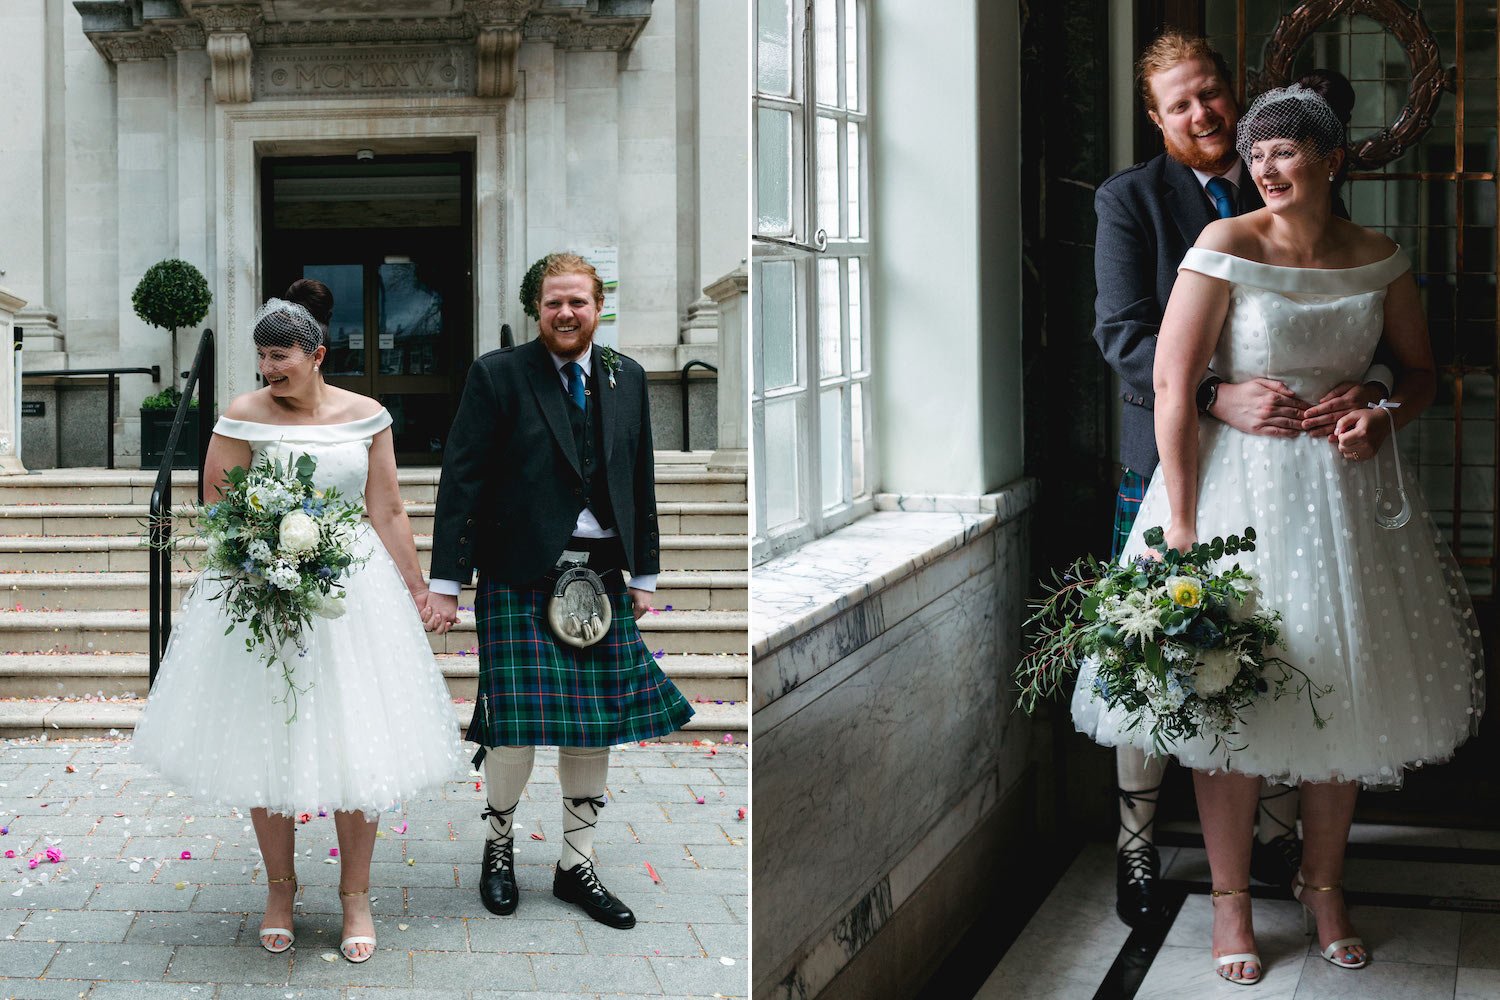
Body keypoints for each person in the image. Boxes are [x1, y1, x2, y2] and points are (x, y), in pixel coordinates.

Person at [1074, 78, 1485, 984]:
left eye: (1285, 150)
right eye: (1254, 152)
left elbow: (1417, 371)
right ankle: (1229, 902)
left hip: (1348, 500)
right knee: (1233, 699)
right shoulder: (1222, 244)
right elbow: (1177, 388)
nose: (1263, 166)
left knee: (1345, 687)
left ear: (1331, 160)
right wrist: (1181, 522)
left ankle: (1323, 883)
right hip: (1235, 495)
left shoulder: (1379, 254)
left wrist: (1380, 408)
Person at [1090, 33, 1396, 930]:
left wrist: (1371, 393)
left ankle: (1271, 839)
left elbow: (1365, 324)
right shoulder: (1133, 200)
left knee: (1289, 648)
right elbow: (1123, 335)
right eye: (1180, 104)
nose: (1203, 114)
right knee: (1161, 658)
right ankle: (1138, 841)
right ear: (1156, 118)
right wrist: (1218, 396)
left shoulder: (1299, 181)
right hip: (1172, 464)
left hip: (1299, 474)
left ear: (1236, 89)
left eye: (1211, 92)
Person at [133, 280, 463, 964]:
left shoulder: (367, 414)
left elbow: (389, 510)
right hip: (265, 593)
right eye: (262, 356)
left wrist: (420, 589)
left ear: (316, 354)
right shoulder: (240, 415)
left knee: (358, 741)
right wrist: (262, 559)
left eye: (281, 355)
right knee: (269, 740)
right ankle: (280, 891)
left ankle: (355, 895)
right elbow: (218, 512)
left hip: (354, 598)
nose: (269, 368)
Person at [424, 252, 694, 929]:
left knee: (591, 729)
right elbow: (463, 480)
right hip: (519, 572)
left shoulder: (625, 376)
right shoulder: (497, 375)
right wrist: (447, 583)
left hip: (602, 572)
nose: (566, 313)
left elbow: (639, 477)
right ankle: (498, 848)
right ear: (535, 309)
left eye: (577, 302)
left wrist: (645, 572)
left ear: (599, 306)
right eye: (553, 303)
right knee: (513, 730)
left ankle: (577, 864)